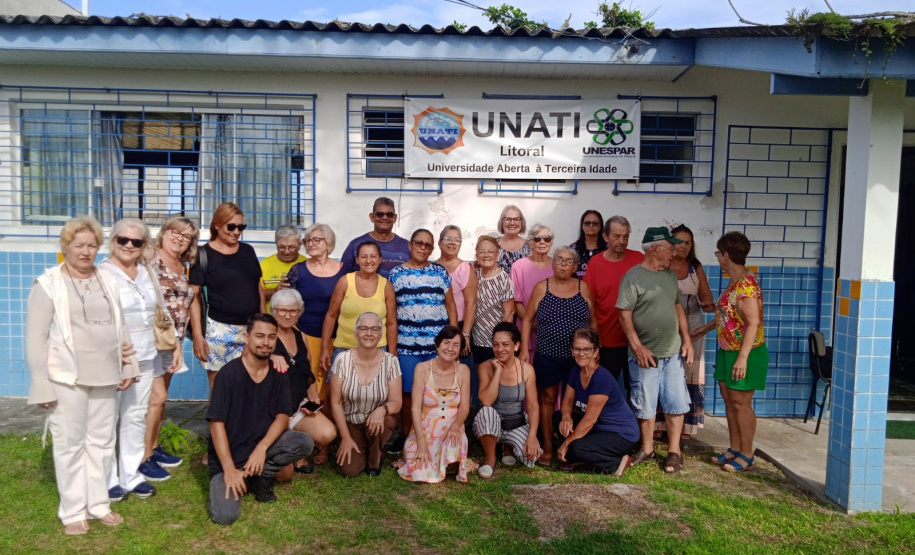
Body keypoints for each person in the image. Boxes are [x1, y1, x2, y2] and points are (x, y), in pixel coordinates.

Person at [26, 216, 139, 535]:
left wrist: (128, 364)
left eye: (92, 245)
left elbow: (122, 325)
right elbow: (36, 338)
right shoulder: (48, 283)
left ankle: (98, 503)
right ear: (65, 247)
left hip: (106, 375)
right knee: (70, 443)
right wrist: (41, 384)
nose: (86, 252)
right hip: (66, 378)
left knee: (102, 442)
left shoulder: (107, 278)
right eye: (79, 245)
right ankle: (73, 510)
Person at [207, 313, 313, 526]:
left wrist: (261, 448)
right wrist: (228, 469)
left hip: (262, 449)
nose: (266, 343)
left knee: (304, 442)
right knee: (225, 516)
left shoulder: (278, 372)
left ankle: (261, 474)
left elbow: (283, 416)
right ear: (247, 338)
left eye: (271, 337)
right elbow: (216, 424)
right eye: (260, 336)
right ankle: (242, 475)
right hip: (231, 457)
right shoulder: (229, 375)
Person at [99, 219, 171, 497]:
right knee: (108, 419)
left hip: (146, 354)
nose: (129, 245)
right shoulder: (102, 273)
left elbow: (159, 310)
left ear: (144, 246)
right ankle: (107, 479)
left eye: (136, 241)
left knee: (136, 417)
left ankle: (130, 474)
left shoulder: (146, 272)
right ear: (113, 241)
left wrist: (172, 345)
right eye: (123, 240)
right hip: (114, 358)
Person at [617, 227, 695, 474]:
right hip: (645, 355)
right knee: (645, 403)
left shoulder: (670, 276)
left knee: (675, 402)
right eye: (671, 247)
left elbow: (677, 307)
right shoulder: (632, 277)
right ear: (655, 248)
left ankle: (674, 451)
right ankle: (648, 447)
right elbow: (624, 314)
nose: (676, 251)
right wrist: (637, 346)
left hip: (672, 353)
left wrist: (687, 340)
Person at [694, 232, 767, 472]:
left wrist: (743, 358)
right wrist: (704, 329)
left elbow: (752, 323)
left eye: (718, 253)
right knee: (729, 400)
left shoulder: (746, 285)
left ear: (726, 255)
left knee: (741, 402)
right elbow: (728, 316)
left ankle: (747, 453)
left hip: (746, 353)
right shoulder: (733, 281)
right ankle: (734, 447)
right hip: (728, 350)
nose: (717, 258)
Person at [520, 247, 596, 464]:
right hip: (548, 354)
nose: (563, 264)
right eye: (559, 260)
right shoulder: (541, 287)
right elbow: (527, 320)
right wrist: (524, 349)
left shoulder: (584, 288)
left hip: (578, 358)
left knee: (574, 402)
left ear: (575, 266)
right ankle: (547, 446)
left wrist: (594, 354)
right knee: (548, 399)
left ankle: (570, 445)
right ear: (553, 264)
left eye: (568, 261)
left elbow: (593, 322)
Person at [388, 229, 458, 452]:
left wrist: (454, 338)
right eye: (419, 243)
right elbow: (391, 312)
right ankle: (407, 437)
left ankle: (434, 436)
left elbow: (450, 305)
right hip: (407, 348)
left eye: (428, 245)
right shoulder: (395, 274)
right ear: (410, 245)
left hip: (436, 348)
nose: (423, 247)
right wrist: (393, 350)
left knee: (436, 392)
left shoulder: (440, 272)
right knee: (409, 395)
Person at [142, 216, 199, 481]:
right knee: (157, 399)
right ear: (163, 233)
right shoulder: (151, 257)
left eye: (186, 236)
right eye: (175, 232)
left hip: (173, 342)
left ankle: (153, 447)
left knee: (159, 401)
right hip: (152, 339)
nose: (179, 238)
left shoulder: (183, 264)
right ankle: (144, 456)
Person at [190, 202, 265, 397]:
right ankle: (218, 427)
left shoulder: (248, 251)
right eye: (231, 226)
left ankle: (245, 427)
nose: (236, 231)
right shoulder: (203, 254)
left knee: (252, 382)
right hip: (219, 330)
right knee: (219, 385)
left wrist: (263, 320)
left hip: (250, 329)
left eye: (241, 227)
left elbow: (258, 285)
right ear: (217, 225)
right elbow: (194, 297)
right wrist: (198, 336)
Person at [654, 224, 714, 440]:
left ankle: (686, 427)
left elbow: (705, 298)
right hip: (666, 324)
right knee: (665, 370)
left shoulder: (695, 266)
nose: (683, 246)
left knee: (690, 373)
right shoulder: (663, 265)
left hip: (694, 325)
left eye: (688, 243)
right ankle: (659, 425)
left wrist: (716, 306)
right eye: (679, 242)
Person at [269, 289, 338, 474]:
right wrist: (271, 356)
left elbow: (308, 370)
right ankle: (293, 452)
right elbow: (248, 359)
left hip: (297, 405)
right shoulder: (266, 336)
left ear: (299, 313)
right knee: (283, 474)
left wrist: (313, 392)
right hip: (271, 409)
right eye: (282, 310)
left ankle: (295, 445)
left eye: (293, 311)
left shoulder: (301, 336)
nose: (287, 315)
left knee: (327, 433)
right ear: (273, 310)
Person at [554, 328, 640, 475]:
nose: (581, 354)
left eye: (587, 349)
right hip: (599, 428)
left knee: (576, 447)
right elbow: (567, 400)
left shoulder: (601, 378)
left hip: (621, 434)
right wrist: (566, 417)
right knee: (557, 418)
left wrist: (566, 443)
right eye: (577, 349)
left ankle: (617, 462)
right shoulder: (576, 370)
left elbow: (589, 420)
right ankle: (585, 459)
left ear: (595, 352)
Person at [397, 326, 475, 483]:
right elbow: (415, 407)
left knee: (453, 447)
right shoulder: (422, 369)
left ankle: (451, 461)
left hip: (452, 426)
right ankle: (436, 460)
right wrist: (421, 442)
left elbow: (465, 407)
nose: (450, 349)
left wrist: (455, 427)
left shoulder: (463, 370)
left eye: (456, 345)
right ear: (437, 345)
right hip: (425, 428)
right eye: (446, 343)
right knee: (418, 473)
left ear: (460, 349)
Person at [329, 312, 402, 477]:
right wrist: (345, 437)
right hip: (352, 422)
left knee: (386, 419)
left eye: (374, 329)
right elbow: (335, 402)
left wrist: (381, 410)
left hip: (378, 421)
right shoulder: (342, 359)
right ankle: (358, 445)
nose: (369, 333)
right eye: (364, 329)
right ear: (356, 333)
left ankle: (374, 459)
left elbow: (397, 402)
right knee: (349, 470)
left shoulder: (391, 361)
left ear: (381, 335)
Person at [472, 322, 541, 478]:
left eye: (505, 344)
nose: (499, 349)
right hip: (490, 423)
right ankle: (490, 457)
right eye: (495, 344)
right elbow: (486, 402)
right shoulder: (485, 367)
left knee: (531, 457)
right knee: (487, 412)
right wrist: (497, 372)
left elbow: (532, 406)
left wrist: (532, 436)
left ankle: (507, 446)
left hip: (515, 423)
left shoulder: (527, 370)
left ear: (516, 346)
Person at [583, 215, 644, 386]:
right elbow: (589, 304)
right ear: (605, 236)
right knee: (604, 389)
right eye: (616, 236)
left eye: (625, 236)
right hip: (606, 341)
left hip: (637, 340)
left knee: (638, 391)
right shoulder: (595, 263)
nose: (622, 241)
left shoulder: (639, 260)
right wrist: (594, 338)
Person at [321, 241, 397, 371]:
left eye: (373, 256)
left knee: (375, 390)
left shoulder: (386, 286)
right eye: (363, 257)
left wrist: (392, 352)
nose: (368, 261)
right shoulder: (345, 282)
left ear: (380, 259)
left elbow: (391, 323)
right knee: (339, 390)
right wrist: (324, 348)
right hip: (345, 349)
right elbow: (331, 315)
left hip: (377, 350)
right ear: (357, 260)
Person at [288, 223, 345, 397]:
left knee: (334, 385)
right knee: (310, 382)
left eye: (316, 240)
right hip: (307, 335)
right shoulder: (298, 270)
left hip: (338, 338)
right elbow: (289, 303)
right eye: (308, 241)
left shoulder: (344, 270)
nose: (311, 244)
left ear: (328, 242)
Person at [436, 225, 478, 402]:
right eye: (449, 239)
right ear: (439, 243)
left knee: (461, 371)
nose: (453, 243)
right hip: (437, 326)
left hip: (460, 327)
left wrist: (465, 334)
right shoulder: (433, 267)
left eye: (457, 240)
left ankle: (464, 414)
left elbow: (471, 303)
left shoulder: (465, 268)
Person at [511, 224, 555, 361]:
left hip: (552, 332)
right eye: (537, 239)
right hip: (526, 331)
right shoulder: (519, 266)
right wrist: (533, 324)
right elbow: (516, 302)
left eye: (546, 238)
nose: (542, 242)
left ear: (551, 242)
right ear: (530, 242)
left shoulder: (557, 266)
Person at [470, 235, 515, 365]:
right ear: (477, 255)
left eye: (490, 252)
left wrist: (502, 341)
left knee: (496, 378)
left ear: (497, 255)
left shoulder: (503, 278)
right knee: (482, 380)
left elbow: (509, 312)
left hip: (496, 343)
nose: (486, 255)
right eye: (482, 252)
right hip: (477, 340)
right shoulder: (474, 275)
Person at [340, 197, 411, 278]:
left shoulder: (407, 247)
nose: (385, 217)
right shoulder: (355, 245)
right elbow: (343, 277)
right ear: (372, 217)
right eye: (380, 214)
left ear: (394, 218)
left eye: (389, 214)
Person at [260, 224, 306, 306]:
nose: (286, 251)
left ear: (300, 244)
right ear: (276, 244)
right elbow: (254, 295)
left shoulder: (308, 264)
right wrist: (275, 291)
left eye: (291, 247)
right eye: (282, 247)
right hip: (270, 318)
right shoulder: (263, 265)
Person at [571, 210, 608, 278]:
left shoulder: (608, 249)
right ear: (582, 226)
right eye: (587, 223)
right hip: (578, 287)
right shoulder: (573, 249)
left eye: (595, 223)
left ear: (600, 226)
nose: (591, 225)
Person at [496, 205, 531, 273]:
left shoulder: (530, 246)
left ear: (521, 222)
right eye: (508, 219)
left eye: (516, 219)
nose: (512, 223)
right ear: (502, 221)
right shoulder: (493, 245)